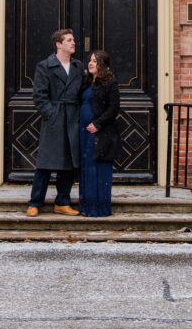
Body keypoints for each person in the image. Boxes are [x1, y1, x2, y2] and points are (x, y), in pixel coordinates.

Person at [26, 28, 82, 216]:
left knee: (68, 164)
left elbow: (82, 91)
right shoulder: (45, 66)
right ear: (59, 44)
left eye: (73, 40)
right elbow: (39, 95)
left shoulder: (77, 66)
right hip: (55, 118)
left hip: (73, 118)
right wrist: (51, 114)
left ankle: (62, 202)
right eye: (69, 40)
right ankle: (35, 203)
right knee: (45, 164)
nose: (73, 43)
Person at [79, 50, 121, 217]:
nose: (90, 63)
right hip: (84, 132)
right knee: (86, 168)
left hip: (100, 133)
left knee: (98, 168)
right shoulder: (87, 82)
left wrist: (97, 124)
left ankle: (99, 208)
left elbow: (114, 108)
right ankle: (86, 207)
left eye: (95, 61)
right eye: (90, 60)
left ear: (102, 64)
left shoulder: (110, 83)